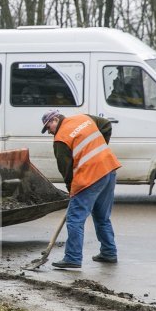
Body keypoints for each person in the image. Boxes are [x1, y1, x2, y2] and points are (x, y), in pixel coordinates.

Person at [40, 109, 122, 269]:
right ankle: (109, 252)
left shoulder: (60, 139)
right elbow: (106, 125)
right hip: (108, 168)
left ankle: (73, 258)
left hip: (90, 177)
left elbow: (65, 169)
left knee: (74, 219)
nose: (49, 132)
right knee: (102, 217)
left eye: (48, 127)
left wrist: (72, 190)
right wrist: (100, 149)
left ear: (55, 119)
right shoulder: (83, 118)